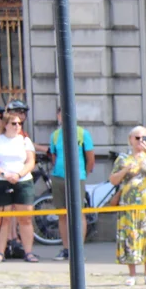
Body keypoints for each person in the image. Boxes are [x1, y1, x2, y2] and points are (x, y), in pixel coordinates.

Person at [110, 126, 146, 286]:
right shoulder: (123, 158)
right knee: (130, 238)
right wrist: (125, 170)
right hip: (130, 205)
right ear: (130, 140)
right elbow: (113, 180)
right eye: (137, 138)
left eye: (144, 138)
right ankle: (132, 274)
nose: (141, 141)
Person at [48, 107, 95, 260]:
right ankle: (66, 248)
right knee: (62, 214)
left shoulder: (82, 133)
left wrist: (83, 174)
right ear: (58, 116)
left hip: (77, 177)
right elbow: (54, 156)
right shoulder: (55, 135)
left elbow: (90, 159)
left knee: (78, 212)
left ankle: (79, 249)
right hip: (59, 177)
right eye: (61, 114)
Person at [0, 111, 39, 263]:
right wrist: (5, 174)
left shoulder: (24, 141)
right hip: (3, 180)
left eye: (19, 124)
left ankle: (28, 252)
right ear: (6, 125)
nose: (17, 126)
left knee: (25, 219)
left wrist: (19, 174)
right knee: (4, 220)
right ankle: (1, 252)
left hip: (22, 181)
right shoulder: (0, 140)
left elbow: (30, 161)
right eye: (13, 123)